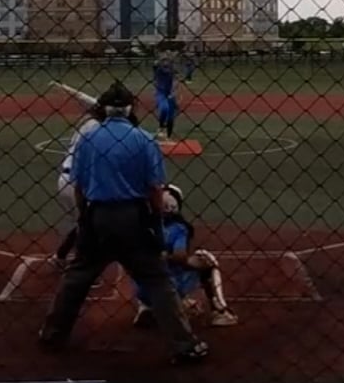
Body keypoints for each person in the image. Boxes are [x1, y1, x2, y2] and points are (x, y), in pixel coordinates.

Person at [38, 83, 208, 364]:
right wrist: (155, 223)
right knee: (157, 279)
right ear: (130, 109)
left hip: (98, 215)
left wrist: (85, 218)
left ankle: (52, 334)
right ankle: (184, 345)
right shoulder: (143, 139)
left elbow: (79, 186)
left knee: (77, 277)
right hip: (133, 218)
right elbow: (155, 190)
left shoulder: (88, 138)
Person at [131, 184, 238, 329]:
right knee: (206, 259)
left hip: (143, 289)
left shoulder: (142, 226)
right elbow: (180, 256)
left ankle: (146, 308)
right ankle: (220, 312)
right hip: (171, 287)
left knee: (141, 264)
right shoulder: (178, 228)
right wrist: (188, 261)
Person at [49, 84, 112, 268]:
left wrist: (64, 88)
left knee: (84, 223)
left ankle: (61, 257)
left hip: (65, 179)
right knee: (90, 225)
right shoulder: (100, 129)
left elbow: (85, 99)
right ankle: (82, 264)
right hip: (78, 183)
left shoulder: (90, 123)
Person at [152, 53, 180, 139]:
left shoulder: (173, 70)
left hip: (170, 93)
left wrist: (173, 91)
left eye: (167, 60)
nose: (165, 63)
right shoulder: (158, 69)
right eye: (163, 61)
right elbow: (155, 65)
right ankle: (161, 127)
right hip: (161, 92)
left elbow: (176, 81)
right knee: (164, 109)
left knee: (171, 117)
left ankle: (168, 136)